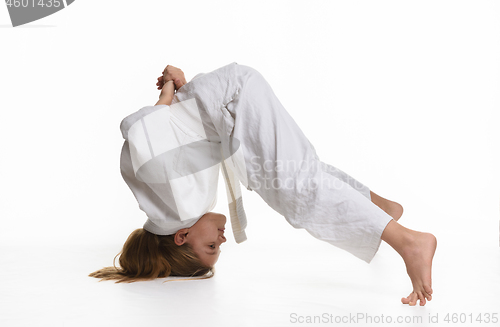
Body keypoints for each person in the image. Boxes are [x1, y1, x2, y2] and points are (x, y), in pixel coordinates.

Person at [90, 63, 437, 306]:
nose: (221, 240)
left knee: (296, 188)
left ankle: (409, 242)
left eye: (211, 247)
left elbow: (145, 129)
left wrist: (169, 88)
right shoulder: (171, 205)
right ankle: (379, 210)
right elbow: (157, 135)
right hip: (224, 101)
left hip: (230, 102)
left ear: (182, 237)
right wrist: (175, 88)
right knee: (292, 176)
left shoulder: (180, 205)